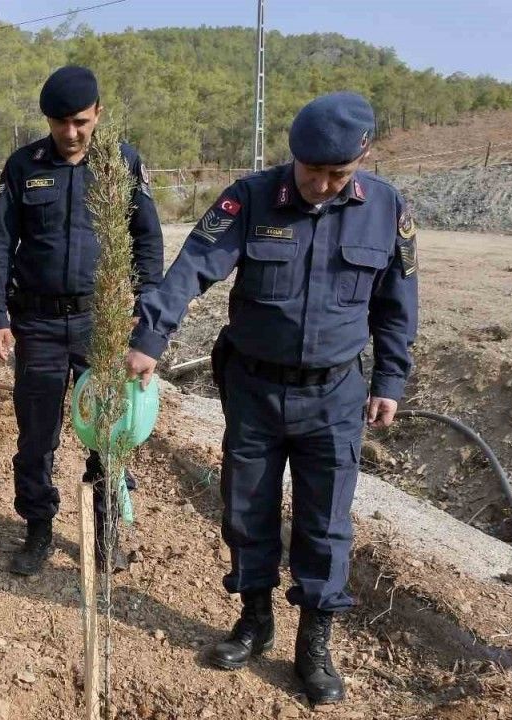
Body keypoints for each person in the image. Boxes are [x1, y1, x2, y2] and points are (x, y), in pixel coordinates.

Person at [124, 92, 419, 705]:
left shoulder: (386, 209)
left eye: (337, 174)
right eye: (312, 170)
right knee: (247, 509)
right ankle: (255, 621)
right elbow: (192, 267)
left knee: (325, 522)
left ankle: (314, 644)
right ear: (294, 155)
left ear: (362, 159)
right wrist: (151, 337)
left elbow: (397, 307)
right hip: (255, 390)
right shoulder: (251, 198)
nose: (322, 184)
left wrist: (390, 381)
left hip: (335, 396)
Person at [0, 65, 164, 576]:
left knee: (107, 431)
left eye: (81, 121)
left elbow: (147, 241)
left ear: (98, 113)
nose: (71, 132)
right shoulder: (24, 165)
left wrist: (145, 313)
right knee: (37, 435)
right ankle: (38, 528)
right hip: (37, 324)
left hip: (99, 322)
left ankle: (104, 533)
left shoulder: (121, 163)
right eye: (60, 122)